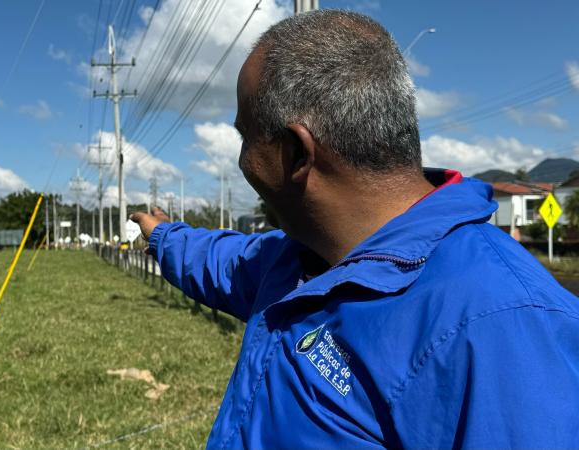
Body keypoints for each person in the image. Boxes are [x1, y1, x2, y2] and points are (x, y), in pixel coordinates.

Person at [130, 9, 579, 449]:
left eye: (245, 136)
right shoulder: (296, 260)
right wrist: (162, 234)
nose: (242, 159)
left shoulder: (506, 328)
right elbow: (223, 261)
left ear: (296, 152)